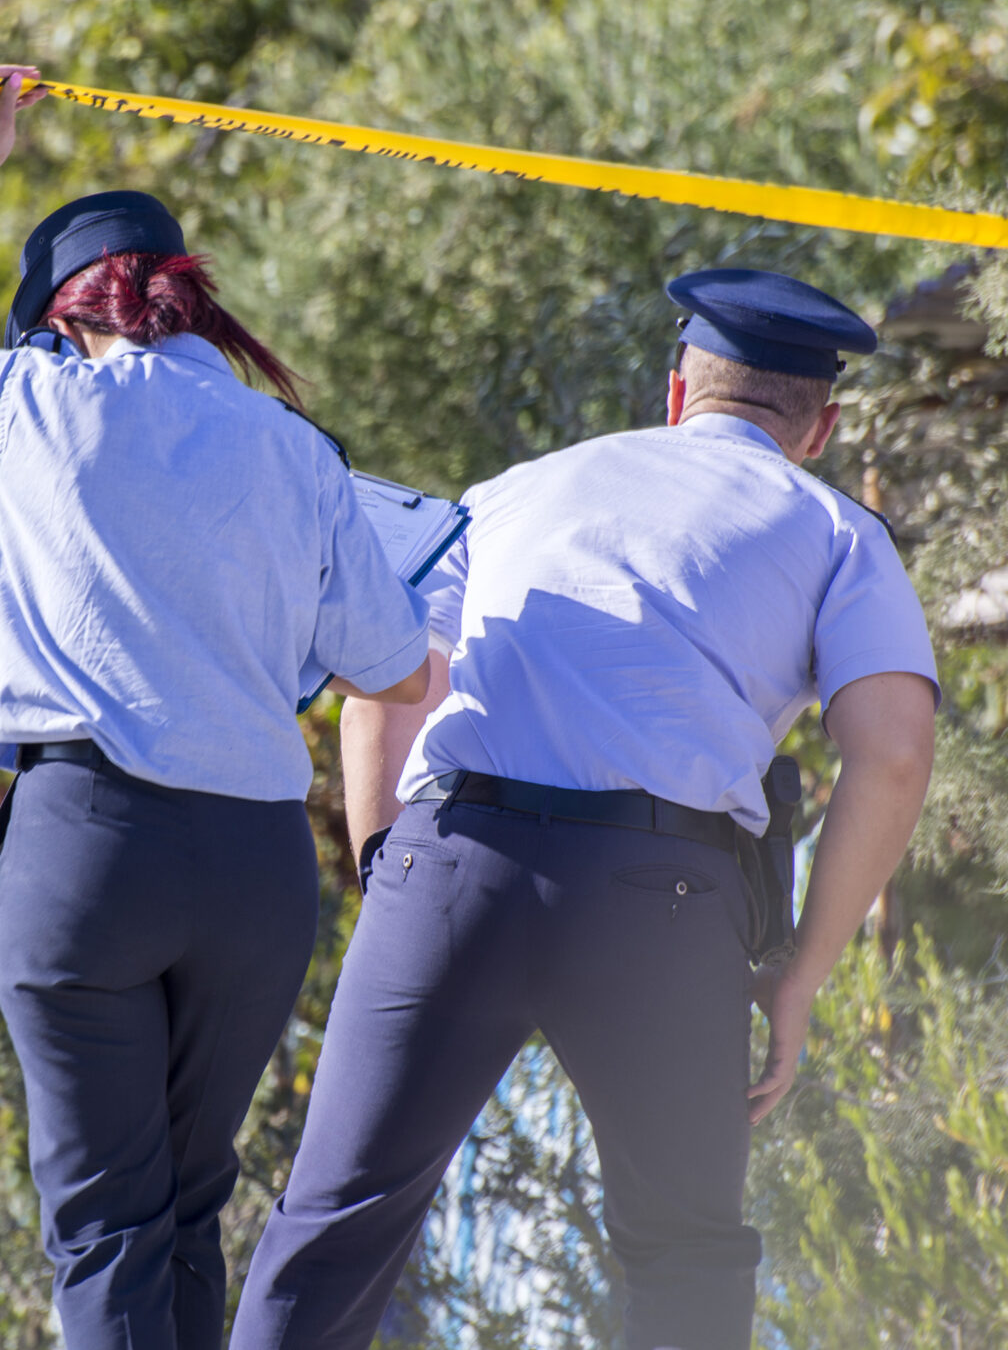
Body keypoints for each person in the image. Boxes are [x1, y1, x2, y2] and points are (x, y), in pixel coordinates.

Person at [0, 65, 433, 1349]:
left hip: (87, 846)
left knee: (105, 1222)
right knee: (185, 1207)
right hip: (258, 865)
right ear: (189, 304)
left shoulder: (30, 403)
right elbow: (396, 670)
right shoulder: (297, 450)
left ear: (56, 321)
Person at [228, 268, 940, 1350]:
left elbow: (387, 686)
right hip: (658, 898)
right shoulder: (835, 530)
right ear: (820, 426)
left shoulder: (514, 487)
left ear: (674, 394)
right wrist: (797, 973)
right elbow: (890, 754)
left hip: (450, 860)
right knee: (682, 1259)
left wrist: (395, 882)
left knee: (330, 1226)